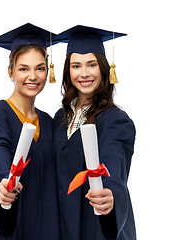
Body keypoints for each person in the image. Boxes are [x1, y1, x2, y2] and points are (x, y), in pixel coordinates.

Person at [0, 23, 60, 240]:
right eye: (23, 68)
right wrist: (3, 182)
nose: (32, 76)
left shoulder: (50, 123)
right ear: (10, 72)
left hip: (40, 228)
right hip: (3, 228)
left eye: (40, 68)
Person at [53, 25, 137, 240]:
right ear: (67, 71)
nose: (84, 73)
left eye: (92, 65)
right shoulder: (59, 118)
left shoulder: (115, 120)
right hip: (63, 223)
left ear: (104, 68)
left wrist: (110, 191)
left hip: (95, 222)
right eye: (76, 66)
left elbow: (114, 159)